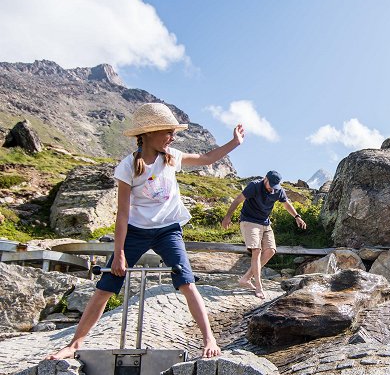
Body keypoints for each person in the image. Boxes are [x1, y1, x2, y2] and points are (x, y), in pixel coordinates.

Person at [48, 102, 245, 360]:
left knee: (187, 282)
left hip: (168, 231)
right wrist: (118, 253)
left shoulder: (171, 156)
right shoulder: (128, 167)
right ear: (149, 133)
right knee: (106, 287)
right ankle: (74, 344)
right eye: (168, 132)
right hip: (136, 231)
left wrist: (234, 143)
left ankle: (209, 338)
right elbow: (122, 213)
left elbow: (206, 159)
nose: (172, 137)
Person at [221, 170, 307, 298]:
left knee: (271, 251)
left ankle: (245, 279)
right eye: (270, 184)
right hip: (249, 221)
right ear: (265, 179)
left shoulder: (278, 190)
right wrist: (228, 216)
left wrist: (297, 217)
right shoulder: (254, 186)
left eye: (274, 185)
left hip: (265, 223)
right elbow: (238, 200)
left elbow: (286, 204)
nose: (271, 188)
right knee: (256, 250)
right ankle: (258, 287)